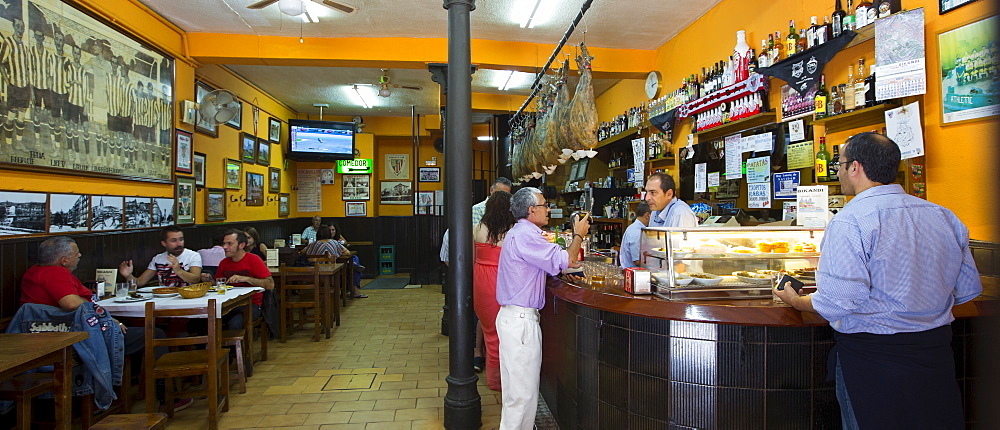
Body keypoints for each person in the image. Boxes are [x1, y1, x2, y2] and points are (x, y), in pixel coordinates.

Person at [774, 132, 982, 429]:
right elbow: (967, 289)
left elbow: (839, 302)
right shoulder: (944, 215)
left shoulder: (850, 219)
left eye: (840, 165)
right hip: (935, 354)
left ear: (855, 167)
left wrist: (796, 301)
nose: (838, 172)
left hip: (874, 360)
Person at [18, 237, 191, 410]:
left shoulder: (33, 272)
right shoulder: (56, 273)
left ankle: (119, 391)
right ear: (64, 260)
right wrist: (105, 317)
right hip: (77, 341)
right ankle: (167, 398)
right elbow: (70, 303)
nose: (79, 255)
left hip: (51, 337)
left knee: (134, 330)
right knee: (155, 334)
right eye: (76, 252)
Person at [496, 187, 589, 429]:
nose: (548, 209)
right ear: (531, 210)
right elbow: (565, 261)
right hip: (520, 321)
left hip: (514, 318)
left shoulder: (520, 233)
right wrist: (578, 235)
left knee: (518, 393)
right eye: (544, 205)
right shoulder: (526, 235)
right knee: (522, 395)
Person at [473, 190, 515, 392]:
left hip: (481, 281)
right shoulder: (512, 230)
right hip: (502, 280)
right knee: (503, 334)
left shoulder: (478, 228)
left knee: (490, 331)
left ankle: (494, 380)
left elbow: (472, 258)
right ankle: (500, 382)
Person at [216, 229, 275, 330]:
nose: (225, 247)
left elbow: (270, 284)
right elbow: (218, 284)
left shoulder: (254, 259)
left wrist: (246, 279)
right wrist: (208, 279)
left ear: (241, 245)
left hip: (251, 304)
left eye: (229, 244)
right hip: (228, 303)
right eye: (224, 244)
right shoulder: (224, 263)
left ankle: (234, 346)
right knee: (203, 322)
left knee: (234, 324)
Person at [119, 225, 202, 288]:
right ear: (164, 243)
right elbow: (140, 282)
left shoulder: (193, 256)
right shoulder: (158, 259)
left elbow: (196, 279)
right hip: (164, 298)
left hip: (187, 298)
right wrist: (128, 275)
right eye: (173, 240)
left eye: (181, 239)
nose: (179, 244)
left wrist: (178, 270)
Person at [618, 202, 652, 267]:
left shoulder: (636, 228)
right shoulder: (636, 232)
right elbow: (638, 261)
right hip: (634, 274)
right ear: (647, 215)